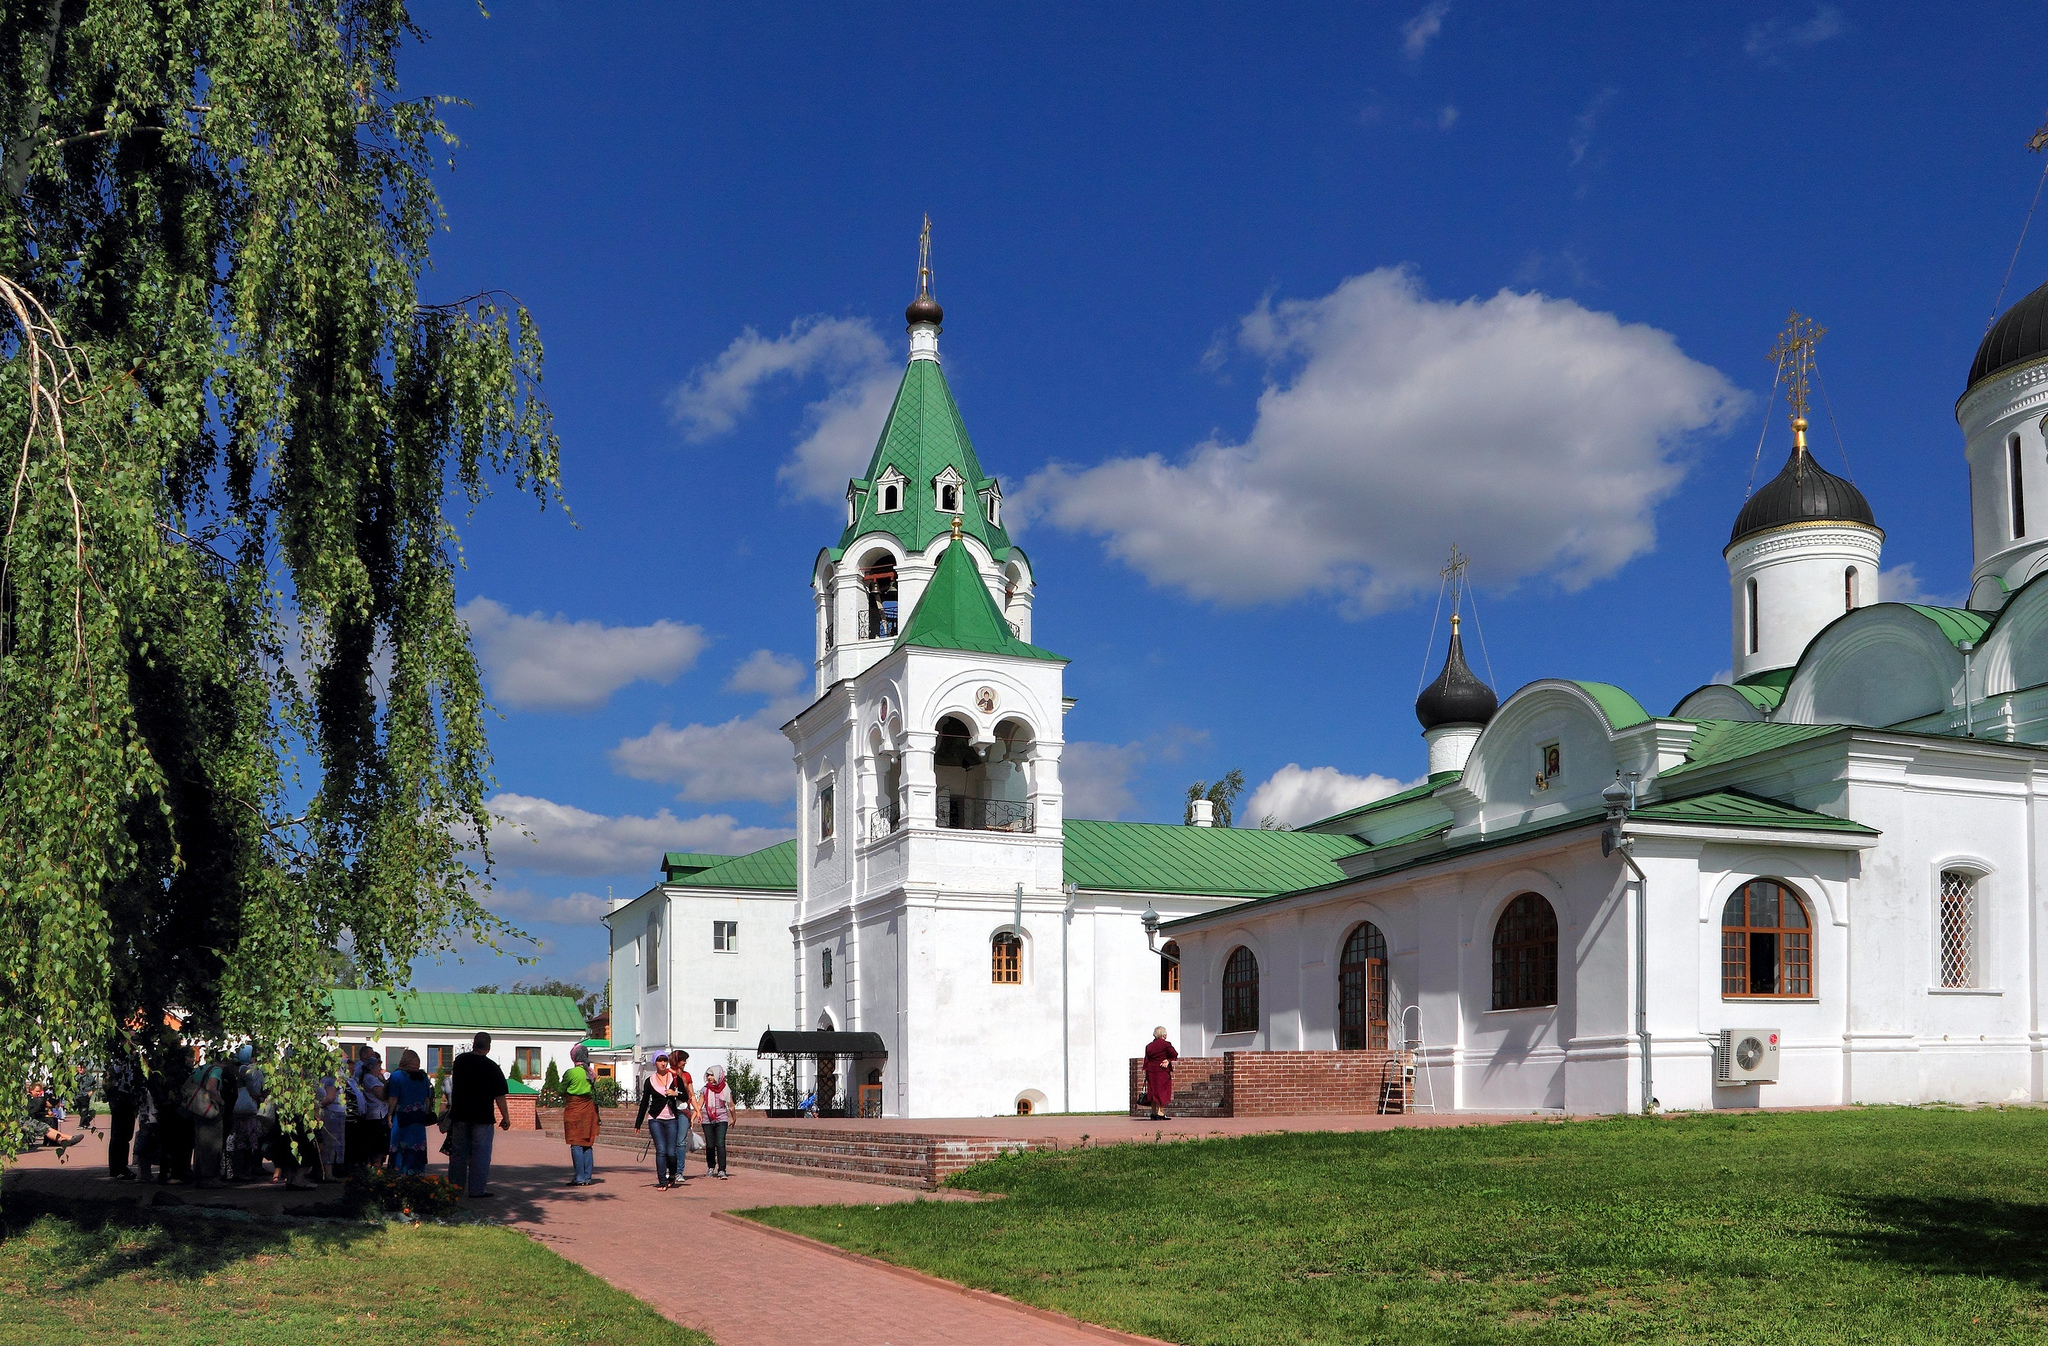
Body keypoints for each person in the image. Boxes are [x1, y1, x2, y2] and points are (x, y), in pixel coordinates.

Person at [446, 1032, 510, 1198]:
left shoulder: (460, 1061)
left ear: (474, 1044)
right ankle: (477, 1190)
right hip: (482, 1116)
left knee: (458, 1153)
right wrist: (506, 1117)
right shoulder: (491, 1067)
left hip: (460, 1114)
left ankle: (454, 1187)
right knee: (480, 1154)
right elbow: (500, 1095)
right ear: (488, 1047)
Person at [633, 1055, 683, 1189]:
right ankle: (662, 1181)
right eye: (660, 1061)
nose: (663, 1063)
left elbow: (685, 1096)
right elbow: (644, 1103)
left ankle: (672, 1174)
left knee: (671, 1152)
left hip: (672, 1119)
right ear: (655, 1063)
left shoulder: (675, 1077)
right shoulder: (650, 1081)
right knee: (661, 1150)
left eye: (665, 1060)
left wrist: (675, 1093)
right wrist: (638, 1123)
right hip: (655, 1119)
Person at [385, 1050, 435, 1175]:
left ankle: (398, 1170)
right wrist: (426, 1112)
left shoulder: (397, 1076)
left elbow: (393, 1098)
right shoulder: (423, 1077)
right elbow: (427, 1099)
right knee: (416, 1143)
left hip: (402, 1117)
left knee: (399, 1142)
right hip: (418, 1117)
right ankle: (415, 1170)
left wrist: (389, 1114)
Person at [183, 1050, 228, 1187]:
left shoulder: (199, 1069)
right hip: (209, 1111)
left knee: (200, 1143)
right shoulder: (216, 1071)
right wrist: (221, 1102)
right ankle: (209, 1178)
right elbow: (211, 1087)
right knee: (212, 1144)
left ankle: (199, 1175)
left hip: (196, 1109)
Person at [102, 1040, 145, 1179]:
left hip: (130, 1097)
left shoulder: (135, 1059)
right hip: (120, 1098)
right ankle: (116, 1168)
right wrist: (113, 1096)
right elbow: (108, 1079)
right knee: (119, 1135)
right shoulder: (119, 1060)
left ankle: (122, 1167)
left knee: (126, 1134)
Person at [561, 1044, 600, 1187]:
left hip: (574, 1110)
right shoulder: (590, 1072)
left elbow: (561, 1089)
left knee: (575, 1143)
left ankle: (579, 1177)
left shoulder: (571, 1073)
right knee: (587, 1143)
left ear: (574, 1056)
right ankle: (588, 1177)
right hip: (589, 1110)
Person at [345, 1048, 390, 1173]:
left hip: (380, 1113)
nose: (379, 1068)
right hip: (376, 1114)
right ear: (371, 1067)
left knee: (380, 1142)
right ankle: (374, 1167)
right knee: (377, 1143)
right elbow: (381, 1094)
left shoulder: (376, 1078)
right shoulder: (370, 1078)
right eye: (377, 1065)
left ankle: (376, 1166)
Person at [22, 1082, 84, 1151]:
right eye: (37, 1091)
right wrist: (46, 1112)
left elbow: (50, 1105)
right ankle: (64, 1139)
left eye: (40, 1091)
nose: (38, 1093)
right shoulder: (29, 1099)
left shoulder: (40, 1099)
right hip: (31, 1119)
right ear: (31, 1091)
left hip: (37, 1117)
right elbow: (32, 1112)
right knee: (48, 1121)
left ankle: (52, 1141)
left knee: (52, 1119)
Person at [699, 1064, 732, 1180]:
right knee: (710, 1145)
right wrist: (695, 1115)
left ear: (718, 1075)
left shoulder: (725, 1088)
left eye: (712, 1075)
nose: (709, 1077)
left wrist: (734, 1118)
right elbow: (700, 1104)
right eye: (708, 1075)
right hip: (707, 1120)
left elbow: (731, 1105)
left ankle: (722, 1170)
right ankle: (711, 1167)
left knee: (720, 1144)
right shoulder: (705, 1089)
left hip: (721, 1120)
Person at [316, 1069, 347, 1182]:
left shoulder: (324, 1079)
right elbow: (330, 1098)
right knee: (331, 1144)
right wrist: (316, 1106)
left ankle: (324, 1172)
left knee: (329, 1144)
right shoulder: (330, 1080)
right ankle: (328, 1174)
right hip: (332, 1114)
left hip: (332, 1114)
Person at [1143, 1026, 1178, 1122]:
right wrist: (1168, 1060)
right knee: (1162, 1092)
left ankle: (1154, 1112)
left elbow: (1147, 1060)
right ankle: (1160, 1112)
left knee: (1153, 1092)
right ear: (1164, 1035)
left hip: (1151, 1071)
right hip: (1162, 1071)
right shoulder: (1166, 1044)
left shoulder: (1149, 1046)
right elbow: (1174, 1054)